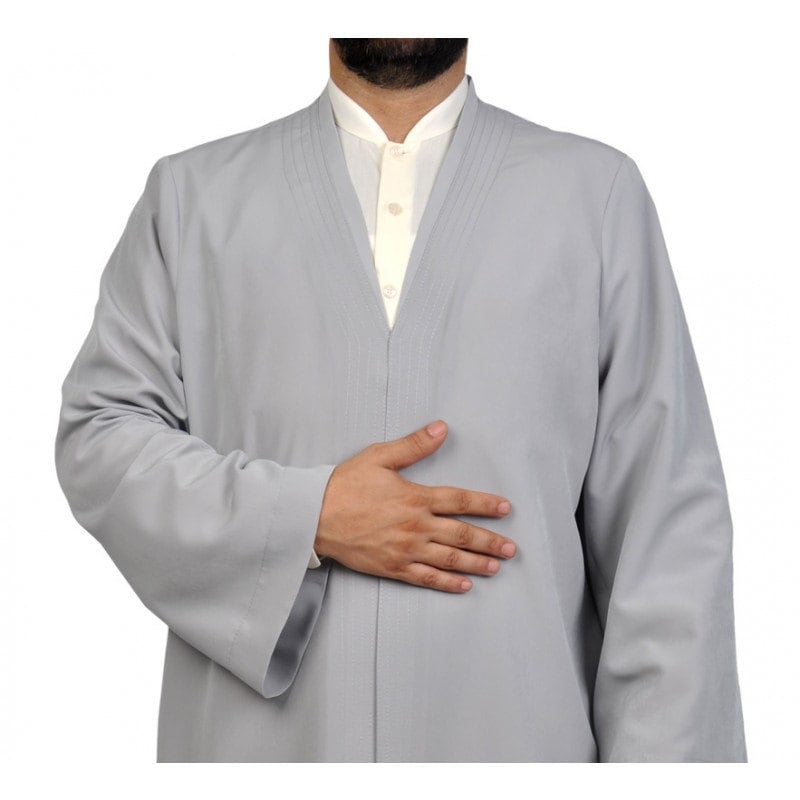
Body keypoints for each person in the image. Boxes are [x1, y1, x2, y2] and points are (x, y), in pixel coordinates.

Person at [53, 38, 748, 762]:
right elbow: (100, 438)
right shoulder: (193, 199)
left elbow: (668, 545)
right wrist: (310, 516)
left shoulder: (593, 198)